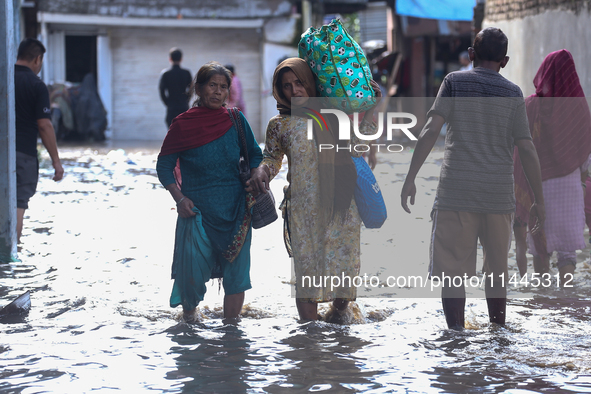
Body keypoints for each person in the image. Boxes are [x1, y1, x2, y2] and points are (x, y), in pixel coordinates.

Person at [400, 28, 545, 330]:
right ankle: (498, 335)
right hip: (498, 196)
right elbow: (527, 147)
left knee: (452, 272)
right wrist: (538, 201)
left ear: (471, 54)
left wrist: (410, 177)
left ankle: (456, 338)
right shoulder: (513, 93)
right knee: (496, 273)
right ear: (504, 61)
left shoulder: (454, 82)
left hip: (457, 193)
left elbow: (429, 130)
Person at [248, 58, 381, 322]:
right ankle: (308, 341)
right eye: (286, 86)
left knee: (344, 276)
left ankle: (338, 315)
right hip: (302, 209)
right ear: (279, 90)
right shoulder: (279, 125)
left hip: (342, 206)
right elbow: (272, 158)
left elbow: (361, 143)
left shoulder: (335, 116)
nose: (294, 90)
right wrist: (262, 170)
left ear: (310, 83)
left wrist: (373, 108)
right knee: (306, 274)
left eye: (299, 83)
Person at [156, 61, 263, 321]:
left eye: (223, 87)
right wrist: (179, 198)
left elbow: (255, 155)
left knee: (237, 278)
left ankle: (231, 333)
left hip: (236, 210)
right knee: (191, 275)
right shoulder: (182, 124)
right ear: (199, 88)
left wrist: (259, 172)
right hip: (196, 211)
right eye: (212, 86)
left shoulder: (236, 120)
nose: (218, 92)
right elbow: (164, 165)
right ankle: (190, 325)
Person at [513, 49, 591, 283]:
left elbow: (520, 148)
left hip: (539, 188)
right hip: (570, 187)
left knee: (540, 249)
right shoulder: (579, 108)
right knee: (567, 255)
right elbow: (586, 150)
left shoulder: (530, 106)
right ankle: (565, 297)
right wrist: (583, 180)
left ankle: (544, 299)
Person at [15, 38, 64, 243]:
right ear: (38, 59)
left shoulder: (3, 77)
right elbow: (44, 125)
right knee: (18, 203)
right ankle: (10, 255)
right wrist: (56, 161)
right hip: (23, 153)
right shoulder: (36, 85)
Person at [159, 47, 192, 127]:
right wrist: (186, 100)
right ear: (181, 59)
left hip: (172, 107)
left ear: (170, 59)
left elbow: (162, 91)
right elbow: (191, 89)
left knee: (172, 133)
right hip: (183, 107)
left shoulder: (166, 74)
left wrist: (168, 103)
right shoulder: (186, 73)